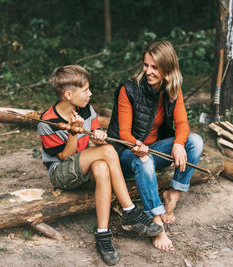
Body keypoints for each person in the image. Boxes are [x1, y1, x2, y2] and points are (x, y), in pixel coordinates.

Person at [37, 65, 163, 266]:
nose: (90, 93)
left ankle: (102, 234)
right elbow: (64, 157)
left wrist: (100, 138)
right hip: (61, 174)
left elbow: (99, 149)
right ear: (68, 94)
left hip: (86, 170)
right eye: (85, 90)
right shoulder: (47, 121)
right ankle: (129, 210)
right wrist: (73, 133)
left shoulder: (86, 110)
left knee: (102, 166)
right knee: (106, 153)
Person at [107, 41, 204, 251]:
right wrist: (137, 146)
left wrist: (178, 144)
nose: (148, 71)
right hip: (125, 153)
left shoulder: (172, 90)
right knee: (144, 159)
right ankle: (156, 223)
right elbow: (123, 133)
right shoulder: (129, 89)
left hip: (154, 150)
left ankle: (173, 196)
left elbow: (182, 124)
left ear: (167, 69)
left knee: (194, 142)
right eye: (146, 65)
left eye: (154, 67)